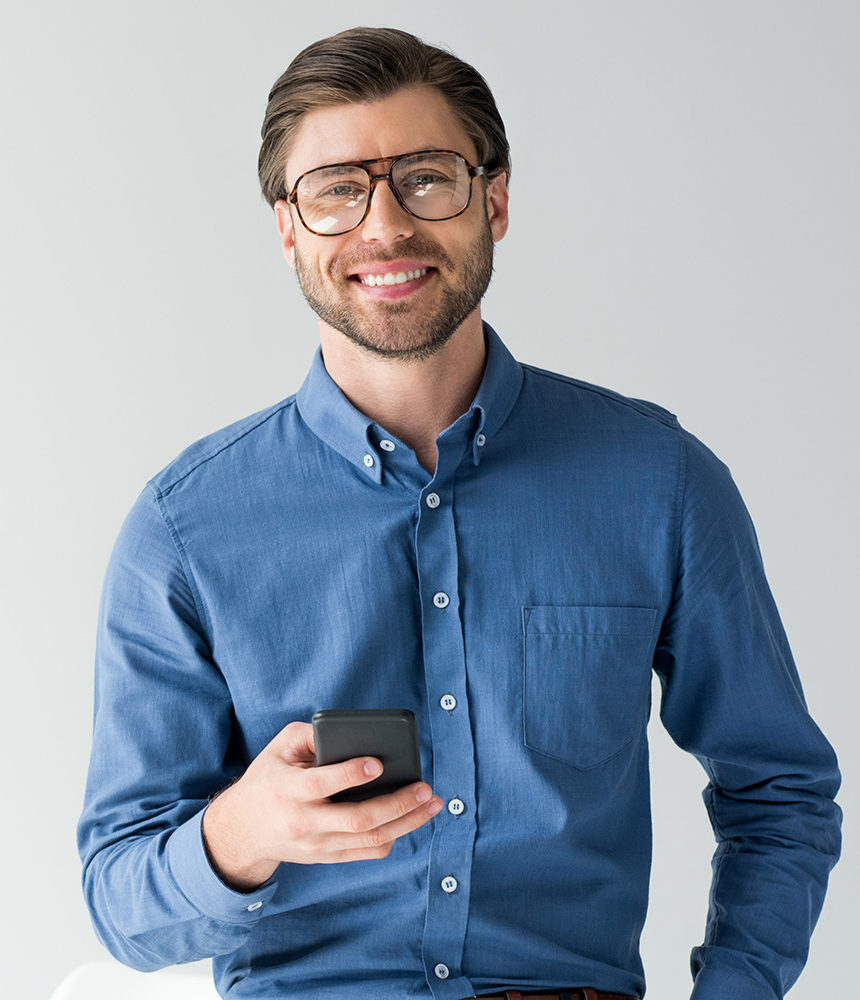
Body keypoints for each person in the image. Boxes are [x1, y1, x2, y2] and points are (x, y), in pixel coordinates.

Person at [77, 26, 841, 1000]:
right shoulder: (185, 528)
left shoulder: (659, 483)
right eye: (336, 189)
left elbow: (777, 791)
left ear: (496, 198)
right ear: (286, 228)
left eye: (425, 178)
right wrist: (241, 834)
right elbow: (120, 902)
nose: (384, 226)